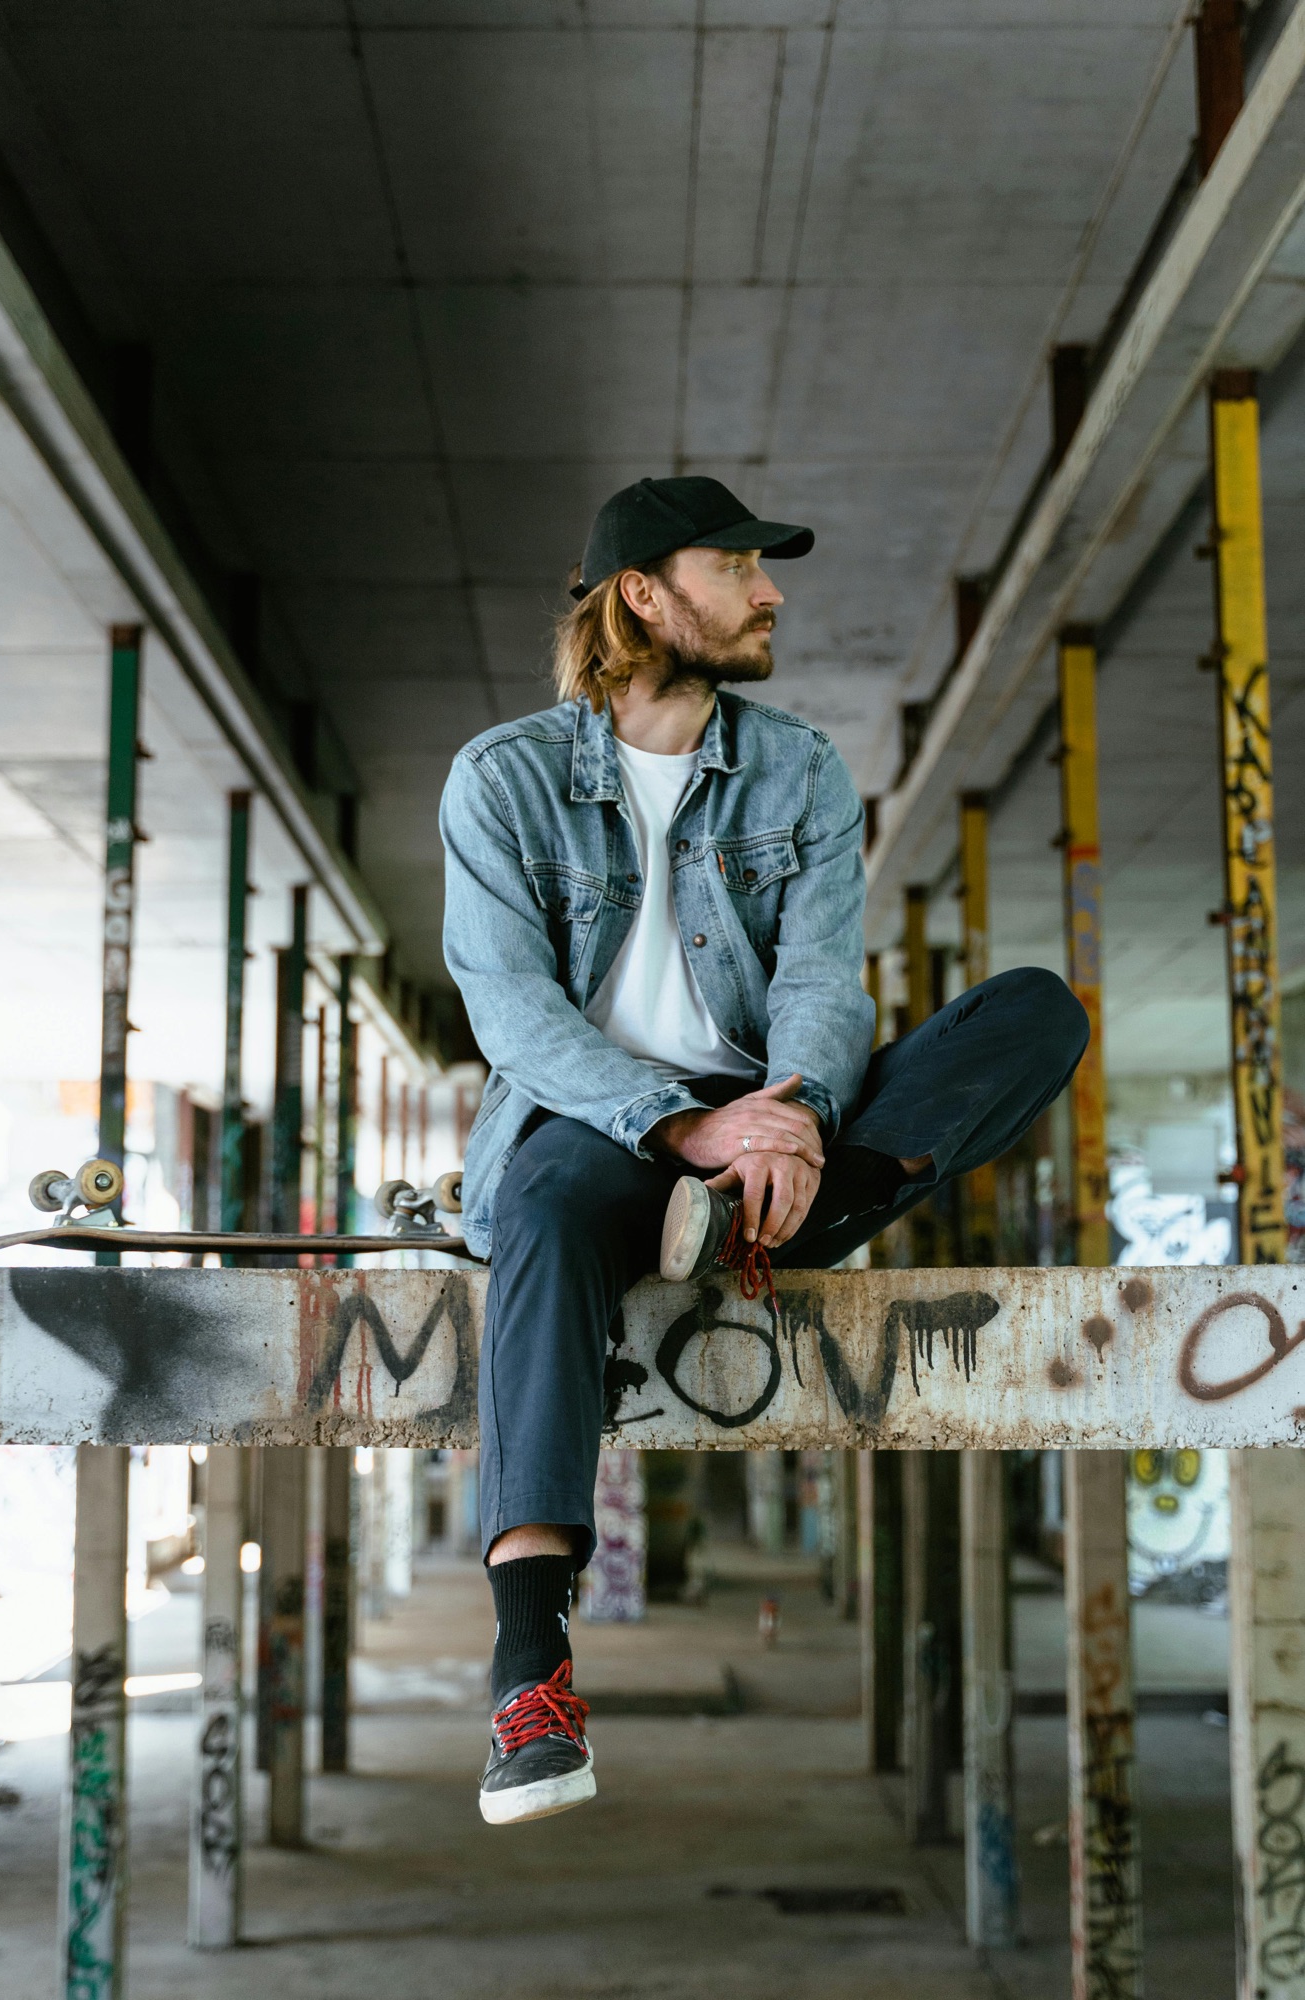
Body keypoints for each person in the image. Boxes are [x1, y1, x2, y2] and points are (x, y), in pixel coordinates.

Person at [439, 475, 1088, 1826]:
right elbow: (511, 1013)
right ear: (642, 595)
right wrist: (683, 1124)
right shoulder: (503, 779)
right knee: (546, 1207)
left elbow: (820, 985)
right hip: (603, 1125)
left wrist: (790, 1114)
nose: (769, 592)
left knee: (1033, 1013)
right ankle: (529, 1668)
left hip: (777, 1119)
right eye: (734, 567)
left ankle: (784, 1204)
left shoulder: (799, 769)